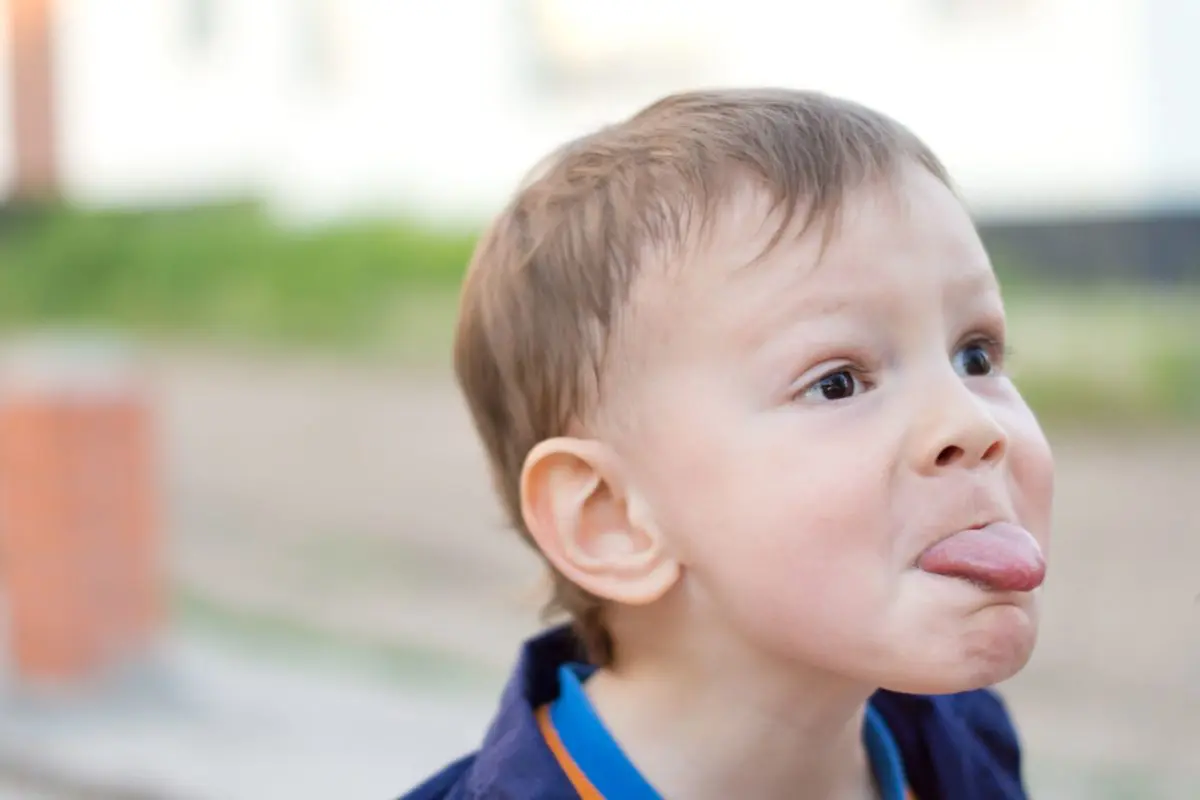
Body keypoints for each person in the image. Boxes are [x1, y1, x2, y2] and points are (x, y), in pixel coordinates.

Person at [402, 87, 1054, 799]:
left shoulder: (960, 750)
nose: (974, 425)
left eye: (977, 357)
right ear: (612, 520)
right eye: (837, 382)